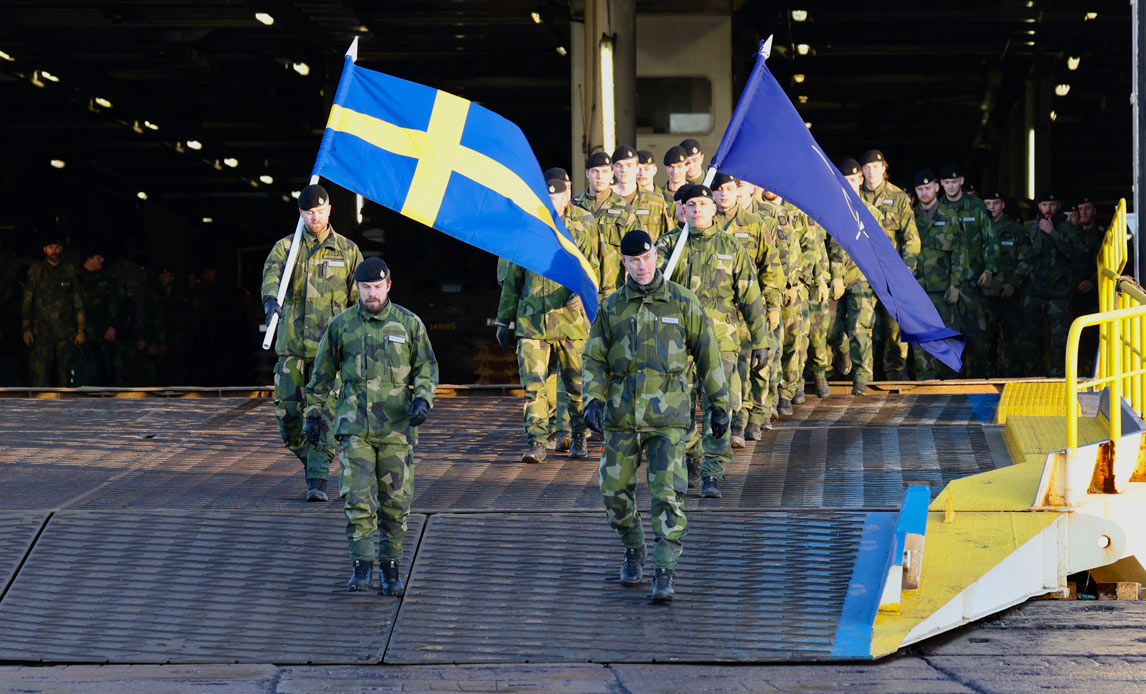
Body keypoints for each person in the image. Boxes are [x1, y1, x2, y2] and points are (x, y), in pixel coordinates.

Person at [583, 229, 729, 602]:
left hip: (669, 419)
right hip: (622, 417)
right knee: (613, 493)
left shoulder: (681, 302)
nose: (642, 267)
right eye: (634, 261)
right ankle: (633, 547)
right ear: (624, 263)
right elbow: (594, 358)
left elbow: (708, 354)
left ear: (657, 258)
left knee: (667, 495)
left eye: (647, 259)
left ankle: (665, 571)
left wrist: (719, 406)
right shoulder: (612, 307)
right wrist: (593, 400)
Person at [305, 257, 438, 595]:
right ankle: (361, 566)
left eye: (378, 287)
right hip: (354, 426)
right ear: (358, 289)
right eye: (366, 288)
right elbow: (321, 374)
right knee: (357, 498)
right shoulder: (342, 326)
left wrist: (423, 399)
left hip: (397, 427)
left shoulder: (409, 324)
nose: (372, 294)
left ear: (389, 285)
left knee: (396, 501)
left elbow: (426, 366)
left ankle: (391, 568)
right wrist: (312, 414)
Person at [656, 185, 768, 498]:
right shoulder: (668, 246)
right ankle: (692, 457)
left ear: (713, 208)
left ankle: (712, 472)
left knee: (720, 408)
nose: (697, 210)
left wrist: (761, 340)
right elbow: (647, 290)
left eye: (703, 204)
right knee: (679, 408)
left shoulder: (731, 247)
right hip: (678, 342)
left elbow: (751, 297)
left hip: (722, 342)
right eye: (691, 205)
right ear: (683, 210)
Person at [261, 184, 363, 502]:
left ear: (329, 210)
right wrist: (269, 301)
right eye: (309, 212)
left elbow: (361, 300)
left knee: (322, 417)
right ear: (301, 213)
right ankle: (314, 462)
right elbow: (271, 276)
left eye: (320, 211)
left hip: (329, 352)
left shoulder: (347, 251)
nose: (315, 217)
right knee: (289, 419)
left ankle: (317, 479)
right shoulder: (287, 248)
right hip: (291, 348)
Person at [495, 178, 595, 463]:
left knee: (576, 387)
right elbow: (512, 282)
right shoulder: (527, 234)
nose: (553, 202)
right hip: (532, 323)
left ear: (567, 199)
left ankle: (577, 436)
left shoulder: (578, 233)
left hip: (570, 323)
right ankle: (537, 442)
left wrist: (583, 295)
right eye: (547, 198)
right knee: (533, 389)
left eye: (558, 197)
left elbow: (593, 271)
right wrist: (504, 321)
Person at [711, 172, 783, 446]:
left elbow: (771, 268)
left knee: (755, 366)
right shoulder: (705, 224)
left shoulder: (755, 224)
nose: (724, 194)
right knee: (730, 371)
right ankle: (735, 424)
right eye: (718, 190)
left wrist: (773, 304)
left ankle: (754, 416)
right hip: (719, 312)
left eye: (729, 188)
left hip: (750, 309)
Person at [858, 149, 921, 379]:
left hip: (891, 276)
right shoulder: (853, 196)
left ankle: (897, 377)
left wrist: (906, 270)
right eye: (866, 167)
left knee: (895, 330)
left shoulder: (898, 198)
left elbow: (911, 238)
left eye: (875, 166)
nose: (871, 171)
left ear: (884, 168)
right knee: (862, 330)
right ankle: (865, 378)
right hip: (861, 275)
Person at [937, 163, 998, 378]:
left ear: (961, 182)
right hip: (945, 281)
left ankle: (978, 378)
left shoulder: (977, 207)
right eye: (947, 182)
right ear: (941, 184)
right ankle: (951, 381)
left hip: (974, 281)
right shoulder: (937, 208)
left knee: (977, 334)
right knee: (949, 334)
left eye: (955, 181)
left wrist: (990, 270)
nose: (951, 186)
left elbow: (991, 240)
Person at [829, 159, 884, 395]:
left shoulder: (872, 214)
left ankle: (861, 378)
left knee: (860, 329)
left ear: (860, 180)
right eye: (845, 181)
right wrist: (834, 276)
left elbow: (879, 249)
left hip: (861, 278)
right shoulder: (829, 211)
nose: (849, 184)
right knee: (830, 331)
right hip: (834, 279)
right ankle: (842, 351)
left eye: (853, 180)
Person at [911, 170, 967, 379]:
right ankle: (924, 382)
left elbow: (960, 253)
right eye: (920, 189)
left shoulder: (949, 216)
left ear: (936, 187)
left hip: (943, 290)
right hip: (917, 290)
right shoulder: (910, 216)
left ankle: (947, 382)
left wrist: (955, 285)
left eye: (927, 188)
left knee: (946, 336)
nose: (924, 193)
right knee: (920, 338)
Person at [1020, 190, 1082, 377]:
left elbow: (1076, 254)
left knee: (1059, 342)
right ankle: (1034, 377)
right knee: (1031, 340)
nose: (1048, 209)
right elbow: (1021, 255)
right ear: (1038, 206)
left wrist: (1052, 232)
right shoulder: (1028, 227)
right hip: (1034, 293)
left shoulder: (1068, 228)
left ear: (1058, 206)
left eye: (1052, 205)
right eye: (1045, 205)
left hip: (1059, 295)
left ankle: (1060, 378)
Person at [574, 152, 640, 304]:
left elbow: (636, 254)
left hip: (614, 291)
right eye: (595, 171)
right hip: (580, 291)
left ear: (612, 174)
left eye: (604, 172)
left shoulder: (625, 210)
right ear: (587, 173)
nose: (600, 177)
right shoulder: (574, 207)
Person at [22, 236, 85, 387]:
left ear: (61, 249)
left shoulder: (69, 269)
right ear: (44, 249)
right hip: (42, 332)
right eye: (50, 247)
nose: (54, 251)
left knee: (66, 376)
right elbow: (27, 300)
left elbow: (78, 301)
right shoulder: (37, 270)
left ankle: (68, 409)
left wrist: (81, 330)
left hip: (66, 331)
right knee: (40, 376)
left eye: (57, 247)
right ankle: (39, 409)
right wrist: (26, 328)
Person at [982, 190, 1028, 377]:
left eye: (995, 203)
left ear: (1003, 205)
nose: (991, 207)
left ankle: (1012, 380)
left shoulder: (1015, 230)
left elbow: (1025, 260)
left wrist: (1013, 284)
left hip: (1008, 294)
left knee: (1012, 342)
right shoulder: (979, 227)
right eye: (988, 203)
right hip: (983, 296)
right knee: (984, 343)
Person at [75, 248, 124, 386]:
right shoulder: (76, 278)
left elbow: (116, 303)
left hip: (105, 335)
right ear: (89, 259)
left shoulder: (107, 278)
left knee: (108, 374)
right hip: (85, 335)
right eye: (98, 257)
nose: (102, 260)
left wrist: (113, 326)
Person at [611, 145, 674, 241]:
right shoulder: (604, 202)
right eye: (619, 166)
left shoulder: (657, 202)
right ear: (612, 169)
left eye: (629, 165)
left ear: (636, 168)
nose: (624, 170)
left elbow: (670, 238)